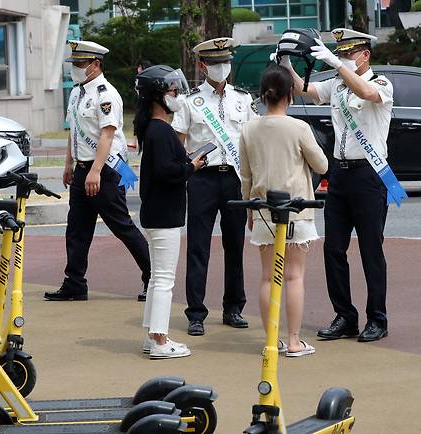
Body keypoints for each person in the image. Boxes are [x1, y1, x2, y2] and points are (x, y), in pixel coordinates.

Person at [281, 29, 395, 342]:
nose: (343, 57)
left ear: (365, 55)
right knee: (333, 249)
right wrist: (286, 62)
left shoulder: (381, 83)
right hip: (340, 175)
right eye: (339, 52)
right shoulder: (338, 84)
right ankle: (345, 315)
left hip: (369, 176)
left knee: (371, 249)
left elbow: (368, 94)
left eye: (349, 52)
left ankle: (378, 319)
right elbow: (304, 90)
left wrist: (337, 64)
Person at [44, 40, 151, 301]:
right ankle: (75, 283)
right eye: (74, 64)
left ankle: (153, 278)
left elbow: (107, 135)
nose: (76, 69)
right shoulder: (77, 93)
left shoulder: (106, 94)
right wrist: (70, 164)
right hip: (83, 169)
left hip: (105, 170)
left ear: (95, 64)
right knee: (77, 229)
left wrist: (95, 171)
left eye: (81, 64)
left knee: (122, 226)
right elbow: (73, 131)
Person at [239, 65, 328, 357]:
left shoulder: (249, 128)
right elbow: (322, 166)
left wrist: (249, 210)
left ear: (264, 94)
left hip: (263, 210)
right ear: (290, 93)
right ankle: (293, 340)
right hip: (297, 210)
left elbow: (246, 175)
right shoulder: (299, 128)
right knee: (294, 277)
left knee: (268, 276)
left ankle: (271, 340)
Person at [172, 37, 258, 336]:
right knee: (198, 246)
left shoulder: (243, 99)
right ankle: (196, 313)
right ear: (202, 65)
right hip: (203, 179)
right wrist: (187, 168)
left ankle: (234, 307)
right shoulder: (188, 101)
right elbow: (178, 143)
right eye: (216, 62)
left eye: (226, 62)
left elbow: (253, 139)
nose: (222, 67)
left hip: (235, 178)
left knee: (235, 245)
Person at [135, 65, 206, 358]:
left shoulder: (153, 129)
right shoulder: (161, 130)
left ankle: (153, 335)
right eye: (172, 92)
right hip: (164, 215)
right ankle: (160, 340)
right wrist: (191, 166)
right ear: (157, 96)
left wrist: (185, 163)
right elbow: (167, 172)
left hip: (156, 213)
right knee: (164, 279)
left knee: (156, 278)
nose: (176, 96)